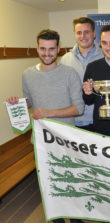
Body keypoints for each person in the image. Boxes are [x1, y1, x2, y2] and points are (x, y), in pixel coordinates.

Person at [6, 29, 85, 223]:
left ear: (58, 49)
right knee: (49, 189)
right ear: (37, 49)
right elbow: (30, 102)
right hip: (41, 142)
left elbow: (79, 108)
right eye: (43, 49)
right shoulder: (27, 74)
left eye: (51, 49)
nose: (47, 53)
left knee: (72, 187)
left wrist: (50, 113)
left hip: (67, 141)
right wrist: (19, 103)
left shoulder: (70, 73)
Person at [60, 17, 103, 131]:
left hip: (100, 119)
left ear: (94, 34)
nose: (83, 36)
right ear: (75, 34)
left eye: (86, 32)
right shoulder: (65, 60)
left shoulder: (105, 56)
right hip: (73, 121)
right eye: (79, 32)